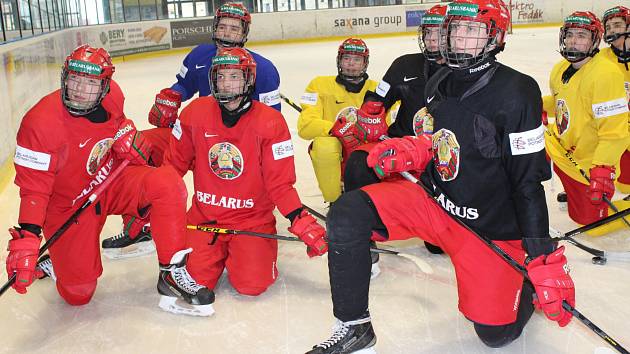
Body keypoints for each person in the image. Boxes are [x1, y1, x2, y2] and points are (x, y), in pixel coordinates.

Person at [307, 1, 575, 353]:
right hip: (435, 202)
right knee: (346, 213)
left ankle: (521, 278)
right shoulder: (440, 79)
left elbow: (527, 181)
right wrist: (415, 149)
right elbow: (445, 139)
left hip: (487, 227)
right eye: (456, 29)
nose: (460, 38)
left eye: (472, 30)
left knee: (496, 336)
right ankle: (355, 328)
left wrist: (540, 254)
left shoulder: (517, 91)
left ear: (495, 36)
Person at [5, 45, 214, 316]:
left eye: (90, 82)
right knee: (78, 294)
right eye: (75, 79)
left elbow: (117, 122)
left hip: (111, 177)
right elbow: (34, 189)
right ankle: (59, 258)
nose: (79, 89)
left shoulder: (113, 95)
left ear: (104, 85)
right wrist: (29, 236)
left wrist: (123, 133)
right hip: (70, 204)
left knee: (167, 183)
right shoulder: (39, 123)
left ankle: (171, 273)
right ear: (64, 77)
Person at [102, 3, 282, 258]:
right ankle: (140, 222)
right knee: (137, 148)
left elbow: (274, 125)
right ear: (214, 28)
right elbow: (184, 83)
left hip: (233, 149)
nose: (227, 33)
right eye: (222, 26)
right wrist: (172, 96)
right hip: (196, 137)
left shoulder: (263, 70)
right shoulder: (199, 56)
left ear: (244, 33)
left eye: (234, 28)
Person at [162, 47, 327, 302]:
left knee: (252, 286)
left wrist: (299, 219)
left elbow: (280, 183)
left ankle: (241, 254)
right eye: (221, 76)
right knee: (193, 282)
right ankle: (217, 254)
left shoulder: (271, 122)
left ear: (249, 80)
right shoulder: (193, 114)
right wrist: (150, 206)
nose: (226, 84)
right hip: (204, 219)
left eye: (235, 76)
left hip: (251, 221)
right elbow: (172, 167)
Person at [344, 4, 448, 255]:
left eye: (439, 34)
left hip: (437, 153)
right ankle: (362, 231)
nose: (431, 40)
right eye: (427, 33)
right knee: (359, 163)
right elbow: (379, 99)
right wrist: (370, 112)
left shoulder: (463, 73)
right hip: (397, 144)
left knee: (437, 245)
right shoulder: (403, 65)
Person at [543, 11, 630, 236]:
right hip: (558, 148)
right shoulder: (559, 69)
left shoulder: (606, 74)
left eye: (581, 35)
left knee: (591, 225)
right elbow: (561, 102)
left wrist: (603, 168)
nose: (573, 40)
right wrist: (537, 105)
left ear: (594, 40)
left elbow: (615, 131)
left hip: (586, 163)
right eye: (570, 34)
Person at [297, 38, 380, 204]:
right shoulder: (318, 85)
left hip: (366, 155)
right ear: (339, 60)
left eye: (357, 59)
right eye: (346, 58)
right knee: (323, 146)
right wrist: (338, 128)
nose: (350, 64)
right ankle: (335, 201)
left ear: (365, 63)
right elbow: (305, 126)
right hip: (336, 152)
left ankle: (371, 197)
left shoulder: (377, 89)